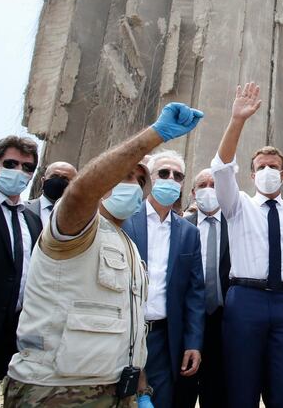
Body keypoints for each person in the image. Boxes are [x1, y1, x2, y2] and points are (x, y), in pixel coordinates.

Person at [3, 102, 203, 406]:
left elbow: (130, 330)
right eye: (123, 177)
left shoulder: (130, 248)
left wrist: (142, 389)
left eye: (139, 181)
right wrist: (152, 136)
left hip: (114, 392)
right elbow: (82, 192)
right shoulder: (76, 228)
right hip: (53, 392)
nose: (132, 185)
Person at [213, 82, 283, 407]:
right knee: (241, 390)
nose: (268, 171)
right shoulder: (237, 205)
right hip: (246, 300)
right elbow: (220, 168)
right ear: (251, 175)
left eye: (274, 167)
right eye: (261, 168)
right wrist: (237, 121)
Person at [122, 150, 205, 408]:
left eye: (178, 175)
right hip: (120, 334)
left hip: (163, 339)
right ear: (149, 178)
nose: (171, 179)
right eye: (164, 173)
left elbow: (195, 292)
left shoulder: (189, 232)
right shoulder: (124, 220)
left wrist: (193, 342)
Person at [0, 137, 42, 407]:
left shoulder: (31, 220)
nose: (20, 171)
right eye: (11, 163)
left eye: (27, 167)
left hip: (6, 345)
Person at [176, 168, 231, 408]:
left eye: (213, 184)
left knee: (217, 390)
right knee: (183, 390)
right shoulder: (179, 227)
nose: (208, 189)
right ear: (193, 192)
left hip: (224, 318)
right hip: (187, 320)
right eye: (202, 185)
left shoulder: (237, 225)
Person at [25, 161, 78, 228]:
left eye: (65, 179)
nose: (58, 181)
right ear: (43, 181)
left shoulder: (81, 217)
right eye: (54, 176)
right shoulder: (22, 208)